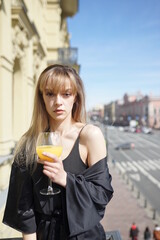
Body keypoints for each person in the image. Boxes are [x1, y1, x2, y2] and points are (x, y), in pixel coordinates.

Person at [3, 64, 113, 240]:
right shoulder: (29, 142)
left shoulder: (90, 136)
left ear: (76, 97)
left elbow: (102, 194)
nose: (58, 102)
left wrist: (65, 179)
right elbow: (24, 209)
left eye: (66, 94)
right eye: (50, 94)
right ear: (42, 98)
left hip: (85, 235)